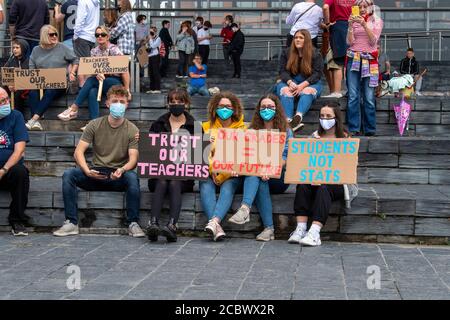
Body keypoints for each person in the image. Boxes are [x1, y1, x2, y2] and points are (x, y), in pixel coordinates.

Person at [53, 85, 145, 238]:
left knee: (132, 178)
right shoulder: (94, 124)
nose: (119, 104)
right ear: (107, 103)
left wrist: (122, 170)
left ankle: (133, 223)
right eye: (115, 101)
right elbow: (78, 152)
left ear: (127, 104)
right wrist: (87, 170)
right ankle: (71, 222)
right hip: (96, 172)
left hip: (118, 174)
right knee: (69, 174)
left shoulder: (132, 129)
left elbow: (133, 159)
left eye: (122, 101)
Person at [289, 103, 356, 246]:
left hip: (339, 183)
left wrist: (324, 176)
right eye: (322, 116)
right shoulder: (314, 137)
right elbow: (304, 161)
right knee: (302, 185)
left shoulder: (346, 139)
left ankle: (314, 232)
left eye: (328, 116)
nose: (324, 119)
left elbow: (349, 167)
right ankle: (300, 228)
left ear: (336, 118)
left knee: (324, 187)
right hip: (313, 180)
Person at [228, 94, 292, 242]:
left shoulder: (286, 131)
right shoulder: (252, 130)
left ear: (276, 109)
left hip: (278, 176)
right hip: (257, 174)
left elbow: (286, 157)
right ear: (258, 110)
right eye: (263, 107)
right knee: (256, 176)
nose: (266, 109)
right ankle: (266, 227)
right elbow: (245, 154)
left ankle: (246, 210)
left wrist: (270, 170)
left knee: (257, 176)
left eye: (270, 107)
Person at [146, 88, 196, 243]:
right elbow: (150, 151)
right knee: (162, 180)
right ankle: (153, 224)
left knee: (174, 181)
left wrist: (205, 145)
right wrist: (145, 141)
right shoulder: (158, 124)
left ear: (186, 103)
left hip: (183, 177)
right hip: (159, 173)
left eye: (179, 101)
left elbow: (197, 155)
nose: (176, 104)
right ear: (168, 104)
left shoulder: (194, 126)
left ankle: (172, 225)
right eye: (172, 101)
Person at [57, 26, 130, 126]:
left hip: (115, 81)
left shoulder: (114, 49)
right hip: (99, 82)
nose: (100, 36)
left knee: (91, 81)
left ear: (108, 37)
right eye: (97, 35)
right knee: (92, 91)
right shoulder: (94, 51)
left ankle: (74, 108)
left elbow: (125, 70)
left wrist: (127, 90)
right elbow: (92, 70)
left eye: (103, 34)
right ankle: (93, 123)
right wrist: (97, 74)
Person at [200, 92, 246, 241]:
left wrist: (227, 172)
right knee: (204, 183)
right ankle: (216, 226)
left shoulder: (244, 129)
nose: (224, 109)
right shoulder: (205, 127)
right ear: (215, 108)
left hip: (233, 174)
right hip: (211, 172)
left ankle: (214, 222)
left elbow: (245, 154)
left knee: (229, 185)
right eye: (221, 106)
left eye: (228, 106)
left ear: (234, 109)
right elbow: (202, 154)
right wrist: (214, 170)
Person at [25, 25, 79, 131]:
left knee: (50, 91)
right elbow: (31, 68)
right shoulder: (36, 50)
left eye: (56, 34)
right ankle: (36, 122)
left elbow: (75, 60)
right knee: (32, 92)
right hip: (41, 82)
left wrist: (72, 72)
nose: (54, 36)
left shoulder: (62, 47)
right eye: (51, 34)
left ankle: (33, 119)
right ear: (44, 36)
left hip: (60, 83)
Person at [346, 0, 383, 136]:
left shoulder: (376, 21)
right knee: (353, 96)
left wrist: (364, 24)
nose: (362, 9)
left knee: (368, 97)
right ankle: (354, 128)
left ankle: (369, 129)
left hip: (370, 60)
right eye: (359, 6)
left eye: (364, 6)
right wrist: (350, 25)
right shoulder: (353, 21)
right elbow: (349, 42)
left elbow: (373, 41)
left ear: (370, 7)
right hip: (353, 58)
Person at [277, 29, 323, 132]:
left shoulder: (315, 53)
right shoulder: (286, 52)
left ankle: (298, 117)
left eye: (301, 38)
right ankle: (288, 120)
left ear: (306, 40)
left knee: (307, 91)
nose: (297, 40)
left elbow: (317, 74)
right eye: (296, 38)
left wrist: (302, 86)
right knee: (286, 91)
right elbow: (282, 71)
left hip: (311, 83)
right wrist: (290, 82)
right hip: (290, 81)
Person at [0, 88, 30, 236]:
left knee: (21, 172)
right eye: (2, 101)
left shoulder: (16, 116)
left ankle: (17, 220)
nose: (7, 103)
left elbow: (19, 150)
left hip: (8, 170)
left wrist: (3, 170)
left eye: (7, 99)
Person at [322, 0, 356, 98]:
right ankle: (351, 91)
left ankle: (336, 92)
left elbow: (325, 7)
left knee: (338, 61)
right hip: (352, 26)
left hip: (338, 26)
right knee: (350, 61)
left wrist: (327, 23)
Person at [73, 0, 100, 86]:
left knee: (82, 65)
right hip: (92, 37)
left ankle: (83, 88)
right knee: (88, 65)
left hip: (82, 36)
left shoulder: (83, 1)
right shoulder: (96, 2)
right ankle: (87, 88)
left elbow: (80, 19)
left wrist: (76, 35)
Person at [3, 39, 29, 116]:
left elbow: (30, 77)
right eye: (13, 48)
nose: (14, 50)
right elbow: (4, 75)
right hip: (11, 86)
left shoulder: (29, 61)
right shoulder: (10, 61)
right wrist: (8, 84)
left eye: (17, 48)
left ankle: (18, 117)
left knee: (17, 93)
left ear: (23, 48)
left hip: (24, 87)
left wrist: (18, 85)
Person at [146, 26, 162, 94]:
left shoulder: (158, 38)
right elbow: (147, 47)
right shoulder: (149, 39)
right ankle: (152, 89)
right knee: (151, 73)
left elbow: (153, 46)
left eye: (151, 32)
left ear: (155, 32)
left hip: (156, 56)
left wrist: (150, 39)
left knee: (156, 72)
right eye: (149, 32)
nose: (150, 33)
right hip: (150, 56)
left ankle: (157, 88)